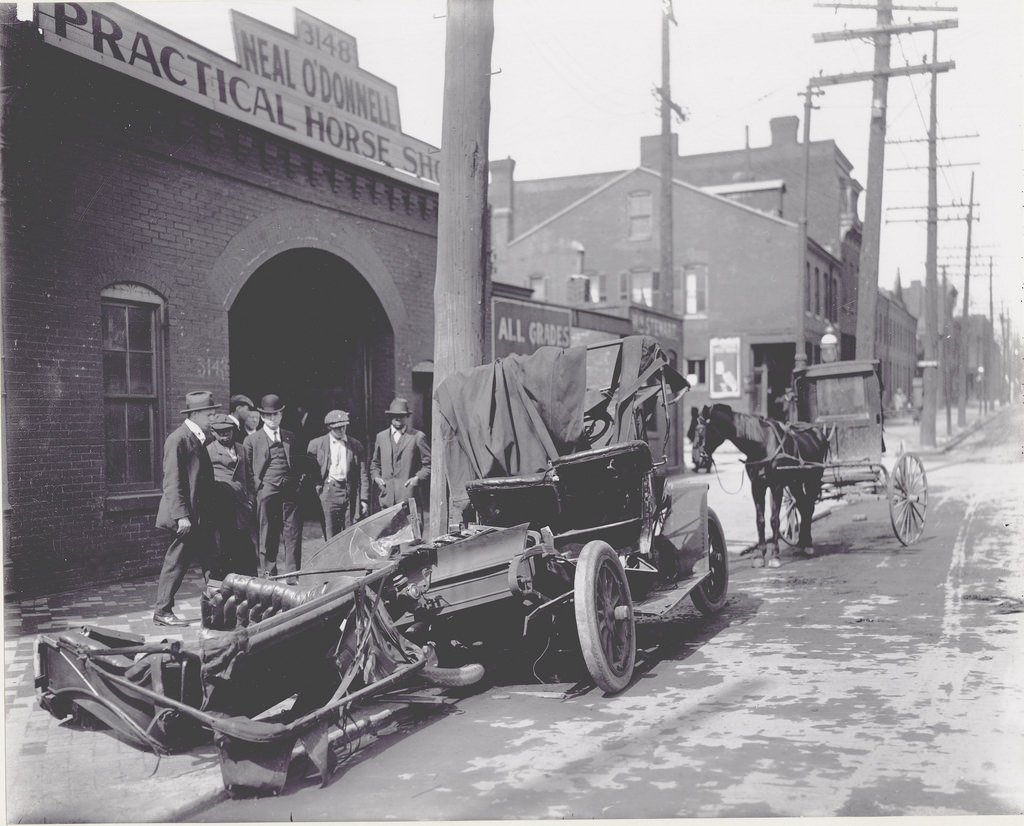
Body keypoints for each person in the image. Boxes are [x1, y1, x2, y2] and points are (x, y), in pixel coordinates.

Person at [153, 391, 219, 626]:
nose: (214, 417)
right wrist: (182, 516)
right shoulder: (178, 439)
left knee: (213, 563)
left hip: (201, 517)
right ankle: (162, 611)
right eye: (210, 414)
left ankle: (217, 609)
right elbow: (172, 482)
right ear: (196, 413)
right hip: (187, 518)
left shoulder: (199, 437)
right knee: (176, 563)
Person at [242, 394, 307, 582]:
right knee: (267, 534)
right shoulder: (252, 440)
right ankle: (269, 574)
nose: (272, 419)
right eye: (268, 415)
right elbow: (247, 471)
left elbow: (299, 463)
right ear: (262, 417)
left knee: (292, 533)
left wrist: (298, 484)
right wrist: (259, 490)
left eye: (276, 414)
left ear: (281, 415)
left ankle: (293, 575)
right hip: (266, 491)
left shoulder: (289, 436)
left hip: (290, 493)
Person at [206, 412, 256, 576]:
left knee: (245, 547)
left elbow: (249, 476)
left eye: (227, 431)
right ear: (213, 432)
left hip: (241, 507)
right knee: (225, 548)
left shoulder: (241, 449)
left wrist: (250, 499)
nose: (224, 435)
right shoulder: (208, 451)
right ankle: (226, 585)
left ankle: (248, 584)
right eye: (220, 432)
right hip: (222, 507)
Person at [307, 409, 370, 538]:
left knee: (350, 533)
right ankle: (333, 558)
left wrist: (364, 499)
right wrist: (318, 491)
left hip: (349, 492)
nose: (341, 430)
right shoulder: (316, 445)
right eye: (337, 428)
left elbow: (363, 474)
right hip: (329, 492)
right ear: (329, 427)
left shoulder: (356, 445)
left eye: (344, 427)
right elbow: (310, 472)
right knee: (330, 534)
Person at [370, 397, 431, 517]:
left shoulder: (417, 436)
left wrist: (417, 478)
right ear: (390, 416)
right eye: (394, 415)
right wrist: (377, 477)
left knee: (413, 534)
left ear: (407, 416)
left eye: (401, 415)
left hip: (409, 498)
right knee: (389, 535)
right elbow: (375, 464)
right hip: (386, 499)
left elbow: (428, 465)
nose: (397, 418)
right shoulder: (381, 437)